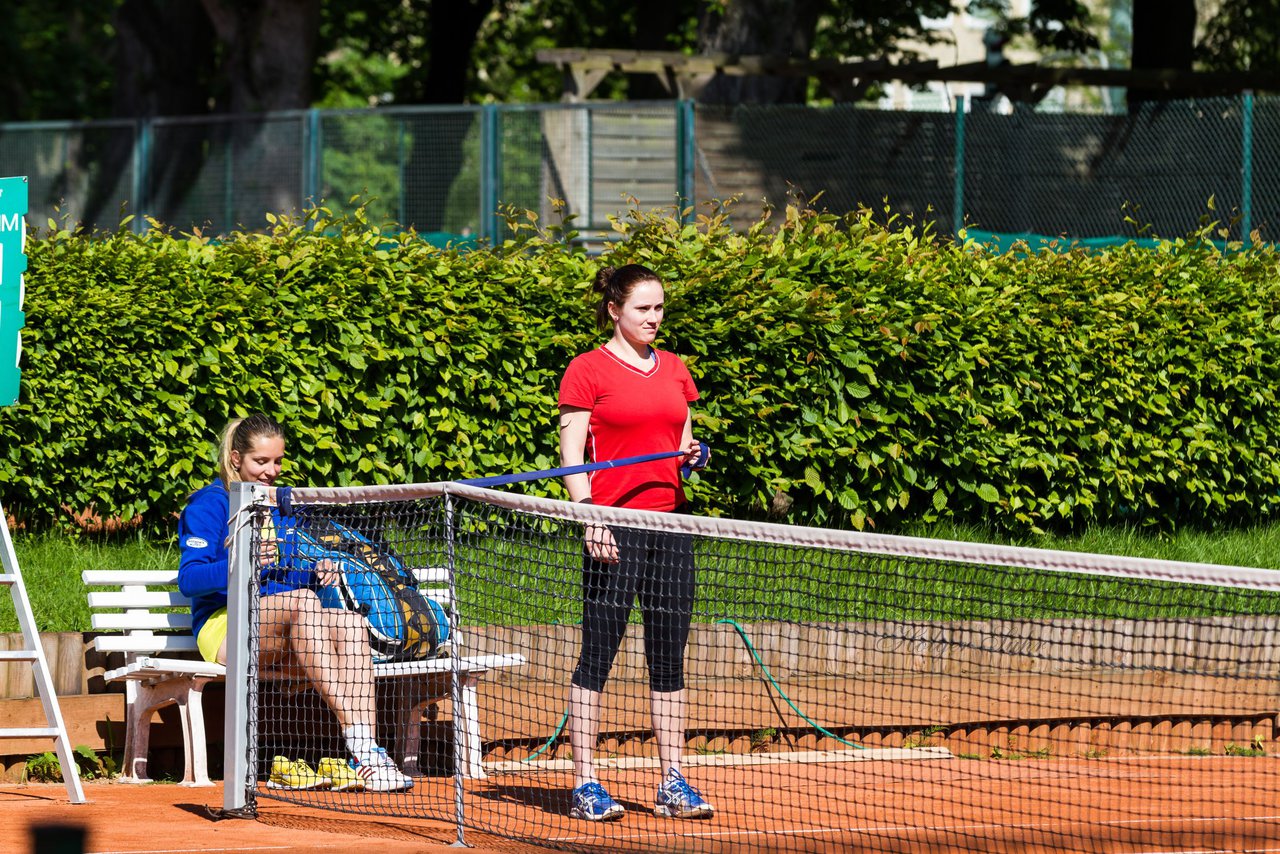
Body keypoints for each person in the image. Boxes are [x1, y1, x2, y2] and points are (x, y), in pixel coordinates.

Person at [177, 413, 413, 794]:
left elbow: (277, 578)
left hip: (279, 624)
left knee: (350, 623)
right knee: (304, 603)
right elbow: (190, 581)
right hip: (224, 628)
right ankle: (359, 737)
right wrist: (244, 562)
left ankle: (367, 755)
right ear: (236, 459)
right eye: (262, 462)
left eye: (278, 461)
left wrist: (313, 575)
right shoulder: (209, 505)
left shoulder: (278, 504)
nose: (272, 471)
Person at [557, 264, 714, 822]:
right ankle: (586, 784)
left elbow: (682, 441)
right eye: (643, 308)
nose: (653, 318)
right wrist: (590, 518)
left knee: (668, 659)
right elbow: (572, 457)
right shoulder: (587, 370)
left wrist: (695, 457)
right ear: (614, 311)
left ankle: (673, 780)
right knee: (597, 654)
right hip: (613, 527)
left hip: (671, 528)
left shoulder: (674, 370)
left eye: (659, 308)